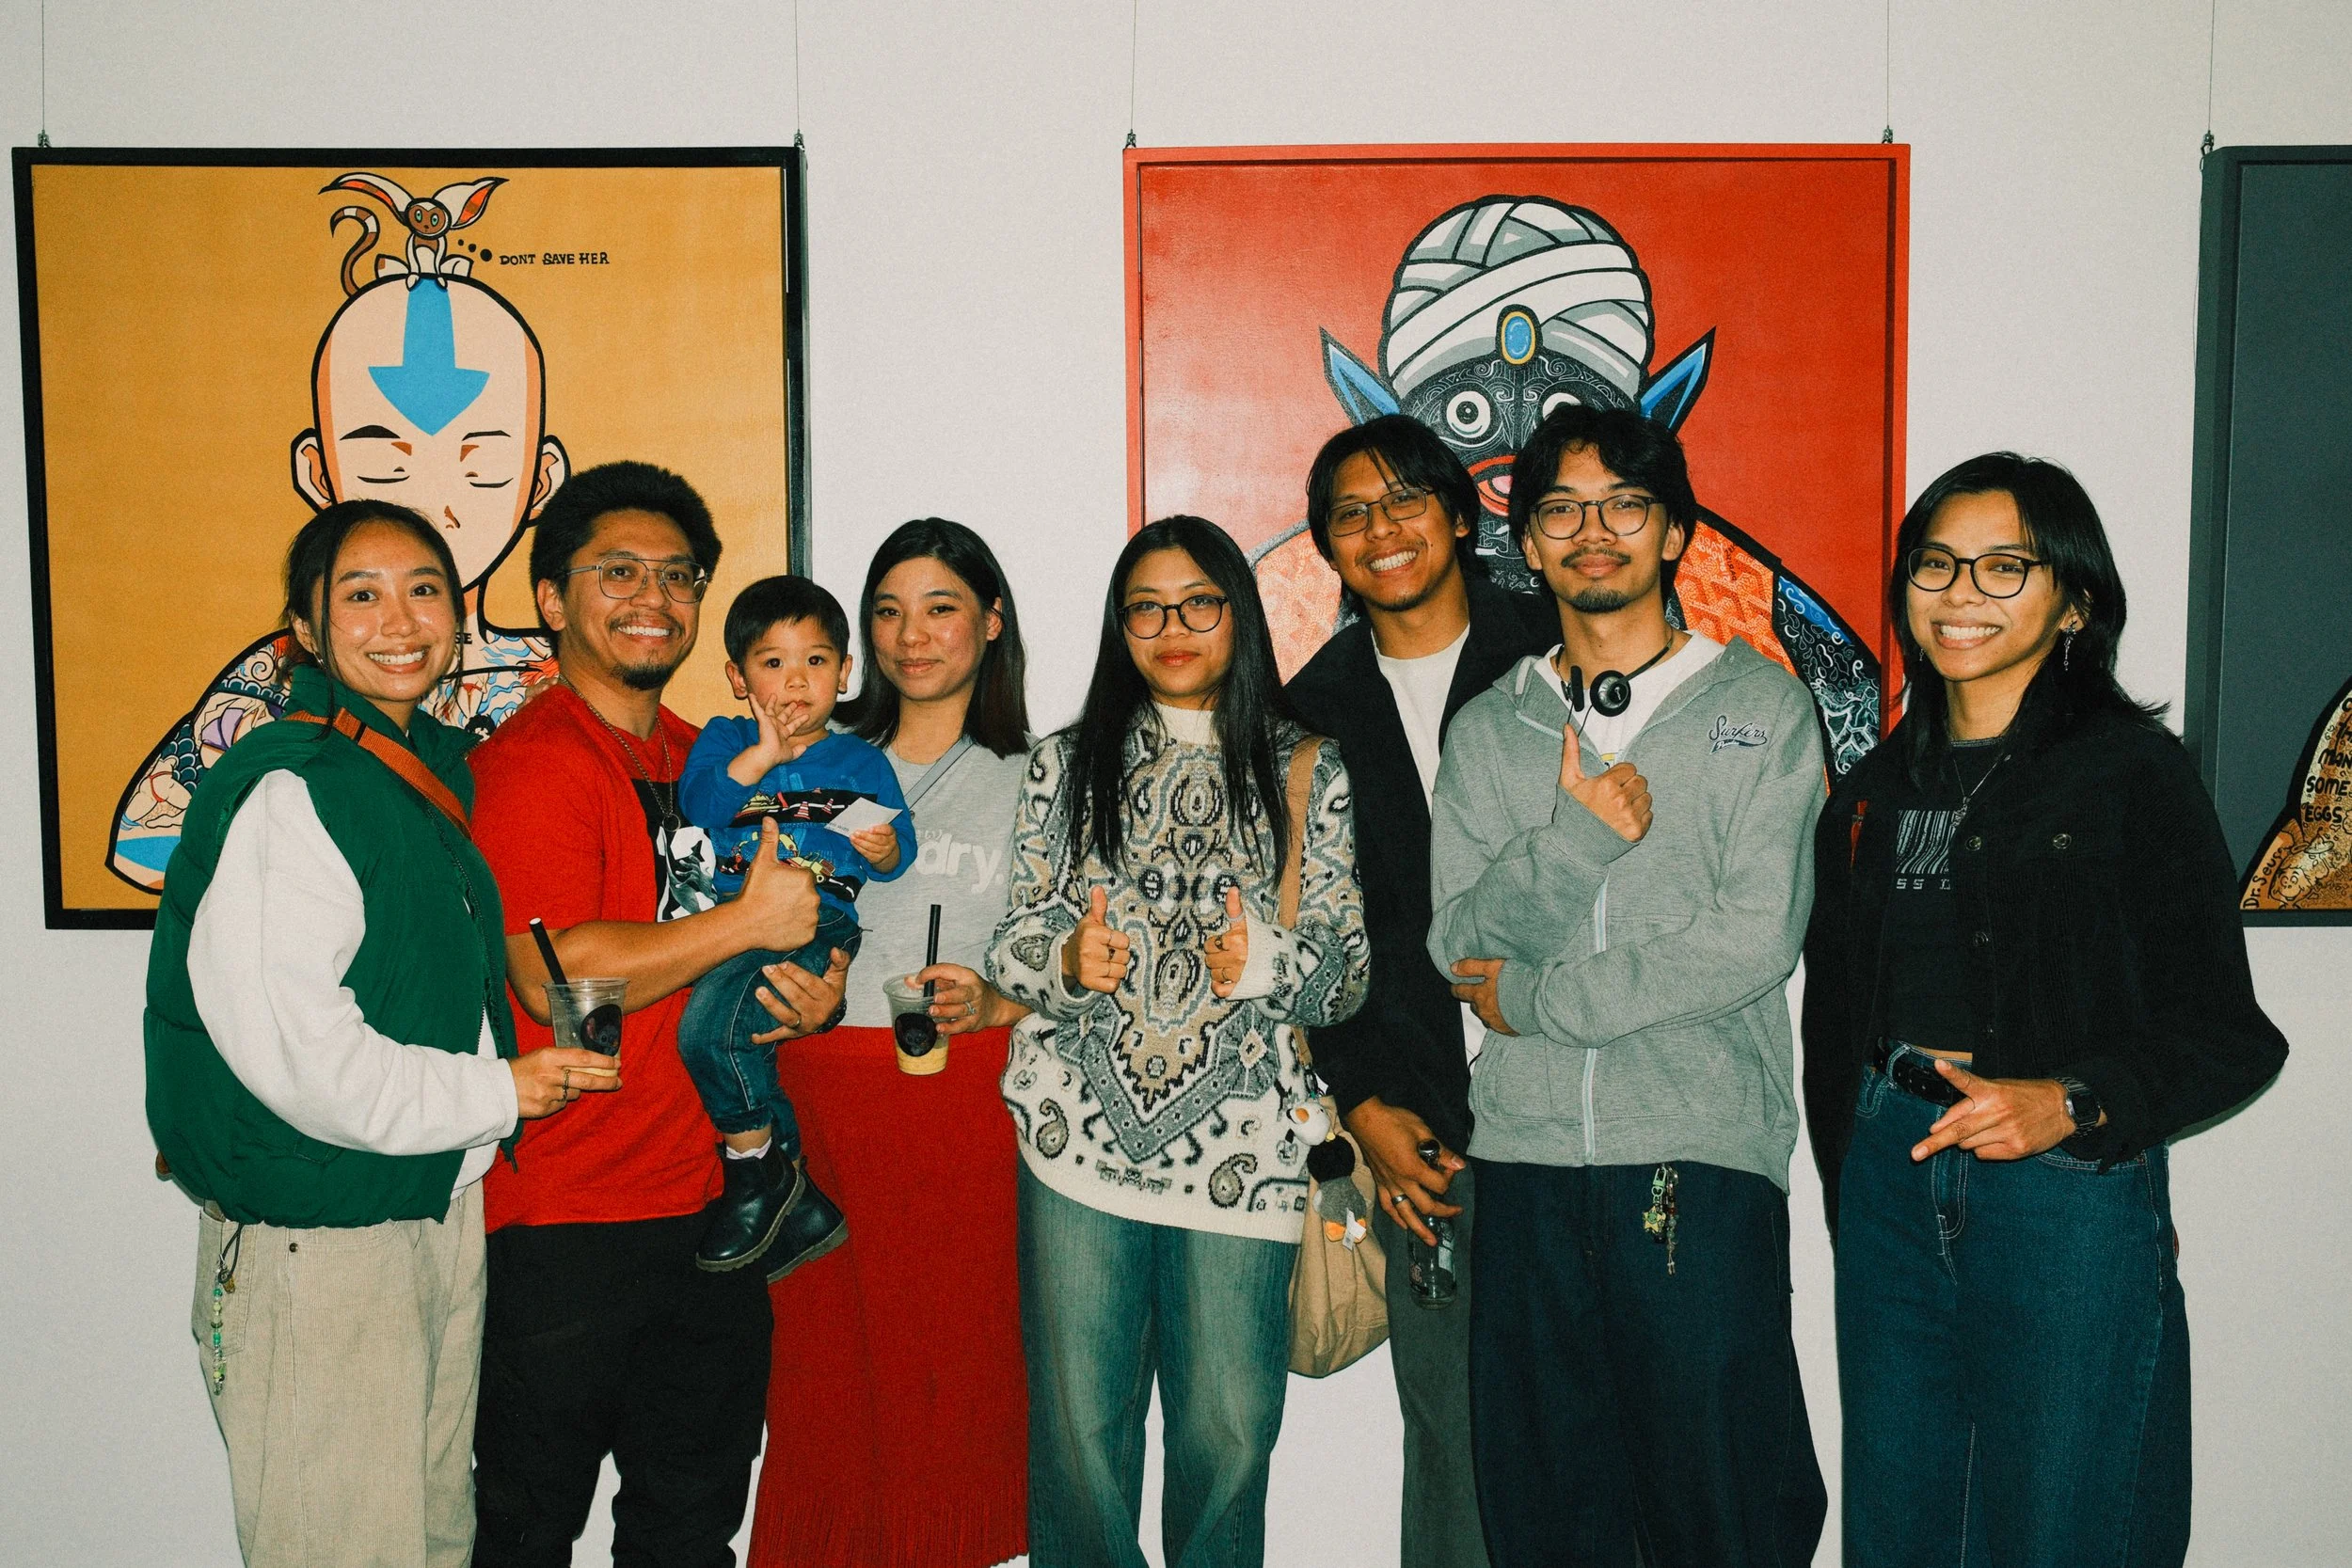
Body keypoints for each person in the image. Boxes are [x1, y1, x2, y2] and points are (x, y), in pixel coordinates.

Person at [1801, 452, 2291, 1566]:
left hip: (2059, 1189)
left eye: (2002, 567)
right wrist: (1854, 1163)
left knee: (2061, 1519)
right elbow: (1832, 1008)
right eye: (1936, 563)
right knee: (1901, 1517)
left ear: (2072, 600)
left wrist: (2067, 1100)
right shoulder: (1875, 786)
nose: (1960, 591)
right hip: (1889, 1163)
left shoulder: (2129, 772)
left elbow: (2228, 1032)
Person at [143, 499, 615, 1568]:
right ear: (303, 631)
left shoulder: (406, 776)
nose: (398, 619)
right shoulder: (292, 791)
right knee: (341, 1549)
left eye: (424, 589)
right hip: (325, 1242)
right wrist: (507, 1091)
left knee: (430, 1539)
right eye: (359, 593)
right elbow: (306, 1057)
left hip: (423, 1206)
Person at [1428, 404, 1828, 1568]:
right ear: (1530, 544)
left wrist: (1542, 1001)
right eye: (1560, 509)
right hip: (1527, 1162)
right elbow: (1459, 944)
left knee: (1724, 1501)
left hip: (1698, 1155)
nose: (1591, 531)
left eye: (1623, 505)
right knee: (1546, 1505)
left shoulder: (1759, 708)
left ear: (1673, 532)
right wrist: (1573, 846)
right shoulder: (1491, 727)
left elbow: (1750, 940)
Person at [466, 462, 849, 1567]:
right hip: (567, 1220)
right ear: (551, 598)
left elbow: (780, 927)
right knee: (524, 1533)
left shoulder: (712, 761)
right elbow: (556, 974)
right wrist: (745, 925)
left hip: (718, 1213)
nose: (653, 596)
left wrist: (804, 995)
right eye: (617, 571)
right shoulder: (534, 763)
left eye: (677, 575)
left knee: (688, 1535)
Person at [989, 515, 1370, 1568]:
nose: (1172, 626)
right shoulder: (1065, 765)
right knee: (1080, 1447)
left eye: (1198, 601)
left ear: (1237, 615)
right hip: (1076, 1147)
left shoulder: (1305, 769)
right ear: (1120, 625)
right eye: (1146, 606)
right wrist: (1065, 962)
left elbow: (1348, 972)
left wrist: (1265, 966)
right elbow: (1010, 945)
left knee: (1231, 1441)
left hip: (1246, 1156)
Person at [1282, 414, 1552, 1568]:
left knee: (1598, 1423)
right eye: (1351, 512)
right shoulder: (1307, 709)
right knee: (1451, 1428)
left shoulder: (1556, 652)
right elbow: (1297, 938)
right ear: (1328, 549)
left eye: (1403, 500)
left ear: (1457, 512)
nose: (1381, 529)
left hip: (1585, 1101)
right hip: (1420, 1129)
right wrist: (1361, 1106)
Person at [748, 517, 1036, 1568]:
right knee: (828, 1383)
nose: (911, 636)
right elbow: (739, 895)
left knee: (953, 1378)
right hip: (822, 1098)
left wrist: (999, 995)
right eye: (886, 611)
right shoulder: (818, 755)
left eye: (941, 606)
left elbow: (1068, 959)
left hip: (962, 1115)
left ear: (992, 621)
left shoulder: (1036, 775)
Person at [675, 575, 914, 1275]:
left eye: (815, 660)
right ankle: (791, 1190)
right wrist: (763, 755)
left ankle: (756, 1173)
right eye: (772, 662)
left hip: (819, 926)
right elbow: (702, 805)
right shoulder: (725, 742)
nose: (796, 679)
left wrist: (886, 847)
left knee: (711, 1033)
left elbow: (899, 852)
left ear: (844, 673)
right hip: (733, 927)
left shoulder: (858, 761)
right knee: (721, 1035)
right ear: (737, 676)